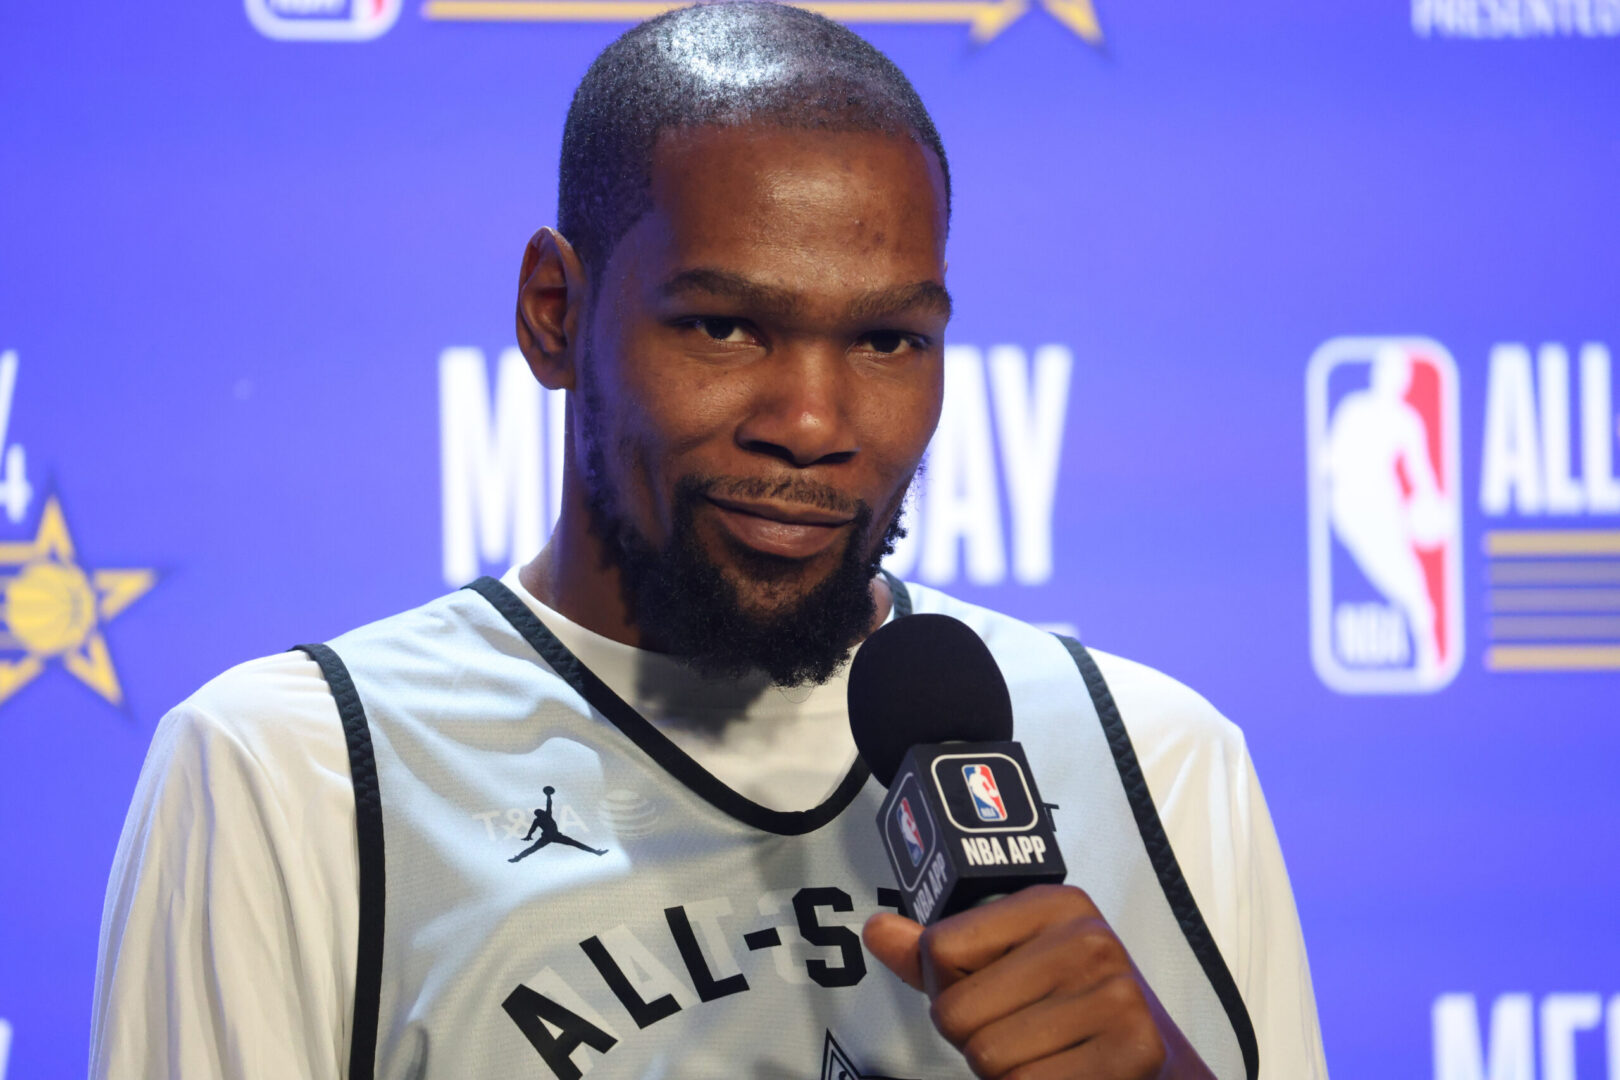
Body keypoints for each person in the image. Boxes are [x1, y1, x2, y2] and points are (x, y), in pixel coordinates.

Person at [91, 4, 1328, 1078]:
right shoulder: (297, 772)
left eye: (887, 341)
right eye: (726, 327)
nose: (813, 423)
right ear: (554, 313)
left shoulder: (1153, 757)